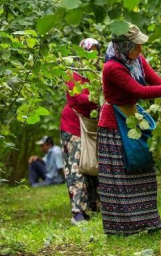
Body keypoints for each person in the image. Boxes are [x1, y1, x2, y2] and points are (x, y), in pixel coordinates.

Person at [97, 23, 161, 235]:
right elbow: (139, 90)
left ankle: (147, 221)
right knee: (121, 174)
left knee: (142, 167)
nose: (140, 50)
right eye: (136, 45)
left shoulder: (137, 61)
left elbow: (157, 82)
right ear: (123, 45)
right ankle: (123, 228)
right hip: (115, 123)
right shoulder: (112, 67)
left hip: (133, 118)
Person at [60, 38, 101, 225]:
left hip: (93, 127)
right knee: (76, 167)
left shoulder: (97, 74)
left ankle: (95, 206)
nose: (91, 56)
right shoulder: (72, 75)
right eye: (88, 52)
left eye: (95, 52)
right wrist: (99, 96)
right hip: (73, 126)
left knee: (93, 165)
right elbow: (78, 99)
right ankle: (77, 212)